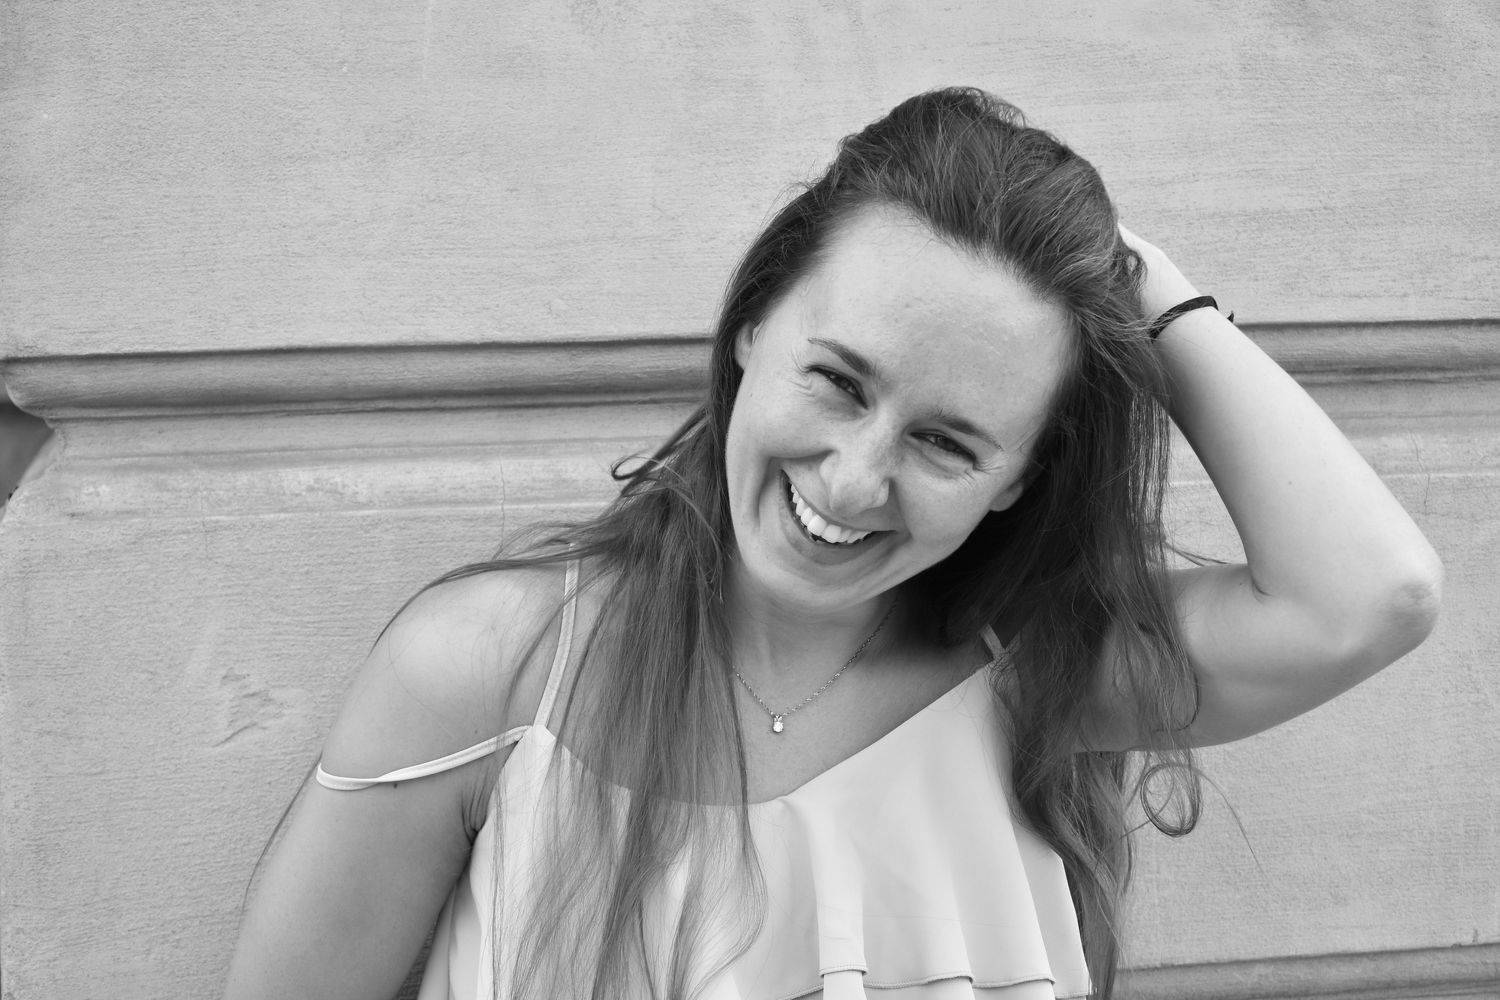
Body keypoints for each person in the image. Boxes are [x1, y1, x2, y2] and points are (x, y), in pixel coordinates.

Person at [225, 87, 1442, 999]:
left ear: (1019, 482)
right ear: (752, 326)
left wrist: (1152, 294)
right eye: (840, 381)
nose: (856, 480)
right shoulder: (496, 668)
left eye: (949, 442)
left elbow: (1373, 595)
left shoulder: (1038, 675)